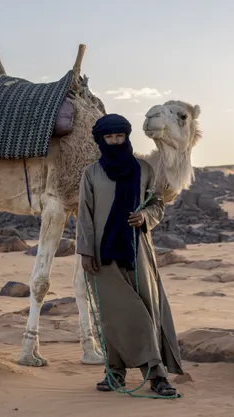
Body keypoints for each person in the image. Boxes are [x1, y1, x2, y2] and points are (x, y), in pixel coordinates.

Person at [76, 113, 183, 397]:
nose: (114, 141)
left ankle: (157, 376)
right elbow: (83, 215)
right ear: (101, 140)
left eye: (119, 136)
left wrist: (145, 217)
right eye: (109, 137)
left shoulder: (144, 169)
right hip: (102, 255)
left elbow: (157, 203)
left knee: (148, 311)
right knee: (114, 315)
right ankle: (115, 373)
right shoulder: (91, 174)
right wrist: (85, 251)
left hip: (138, 253)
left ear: (127, 137)